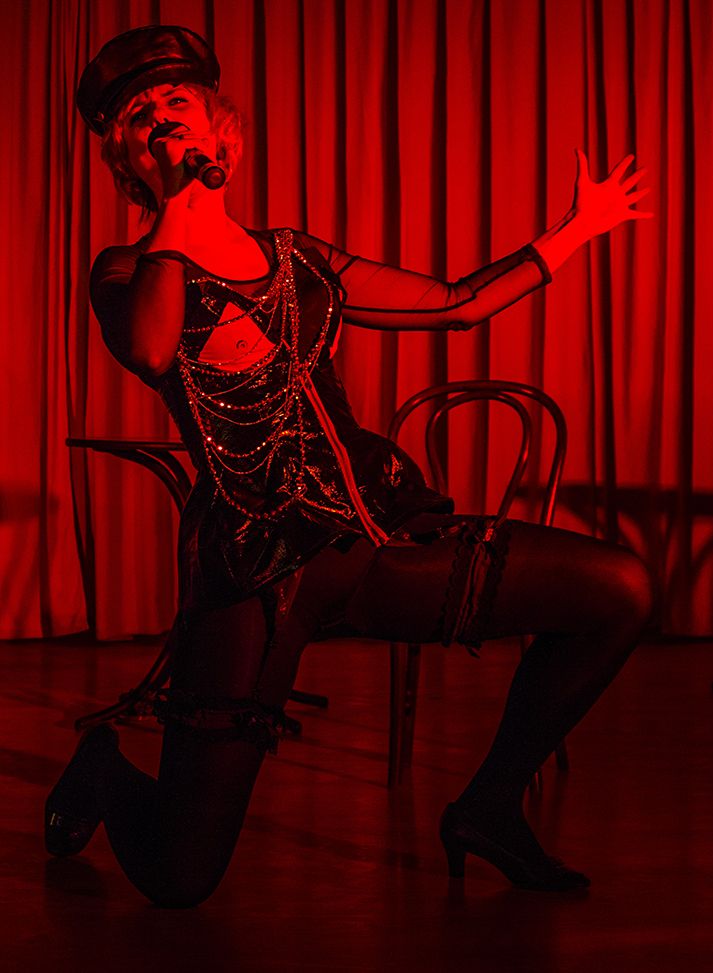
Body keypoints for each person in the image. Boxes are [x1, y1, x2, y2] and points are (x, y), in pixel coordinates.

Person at [46, 25, 654, 908]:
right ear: (128, 160)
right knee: (181, 877)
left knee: (620, 588)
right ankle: (104, 767)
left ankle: (488, 808)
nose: (161, 116)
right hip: (254, 569)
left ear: (221, 131)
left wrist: (573, 231)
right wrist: (176, 204)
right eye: (140, 116)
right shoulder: (127, 269)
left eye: (178, 101)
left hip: (371, 539)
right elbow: (148, 348)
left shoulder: (300, 257)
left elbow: (456, 305)